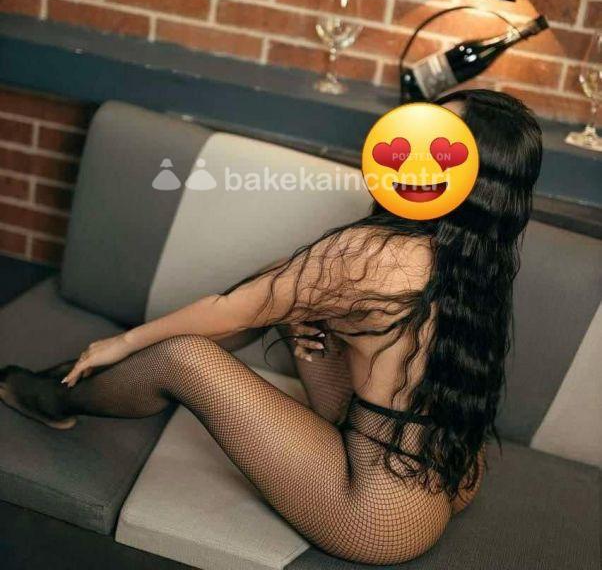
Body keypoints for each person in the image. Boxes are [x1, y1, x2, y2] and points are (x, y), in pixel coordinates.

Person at [0, 89, 542, 565]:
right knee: (294, 293)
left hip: (378, 512)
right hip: (450, 469)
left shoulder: (378, 253)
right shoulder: (480, 254)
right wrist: (313, 318)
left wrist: (122, 341)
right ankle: (91, 378)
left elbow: (232, 308)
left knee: (184, 356)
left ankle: (54, 396)